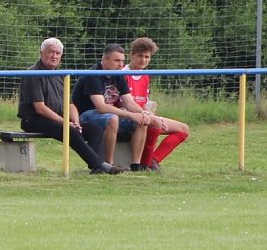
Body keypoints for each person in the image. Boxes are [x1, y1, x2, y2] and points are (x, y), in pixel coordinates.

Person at [18, 38, 121, 175]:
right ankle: (100, 165)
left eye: (57, 53)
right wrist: (66, 123)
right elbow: (40, 108)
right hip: (34, 120)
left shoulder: (60, 75)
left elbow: (70, 104)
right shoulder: (33, 73)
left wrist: (76, 122)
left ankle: (98, 169)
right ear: (41, 53)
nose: (54, 56)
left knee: (94, 129)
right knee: (70, 131)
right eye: (50, 52)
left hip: (58, 119)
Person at [71, 43, 151, 171]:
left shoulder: (118, 75)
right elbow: (101, 107)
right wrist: (130, 114)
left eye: (122, 61)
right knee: (113, 118)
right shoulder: (93, 75)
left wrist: (144, 114)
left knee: (141, 120)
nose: (121, 64)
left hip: (106, 114)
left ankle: (136, 165)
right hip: (85, 115)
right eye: (117, 60)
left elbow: (129, 103)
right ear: (104, 60)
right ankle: (109, 165)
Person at [125, 38, 190, 170]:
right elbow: (125, 104)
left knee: (183, 130)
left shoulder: (145, 75)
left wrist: (151, 112)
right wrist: (150, 117)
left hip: (145, 114)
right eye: (140, 56)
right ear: (132, 55)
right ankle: (145, 164)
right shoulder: (122, 74)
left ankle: (154, 160)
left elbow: (145, 101)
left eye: (147, 57)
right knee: (155, 122)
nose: (143, 60)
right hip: (128, 116)